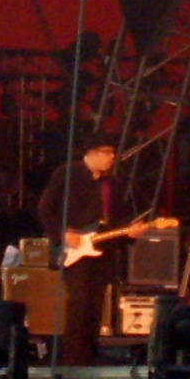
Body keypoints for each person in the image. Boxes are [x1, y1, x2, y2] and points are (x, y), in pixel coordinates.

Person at [37, 132, 148, 365]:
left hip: (102, 252)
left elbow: (115, 222)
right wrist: (63, 234)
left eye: (112, 153)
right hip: (74, 251)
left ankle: (87, 359)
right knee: (79, 302)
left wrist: (130, 233)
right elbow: (45, 209)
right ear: (91, 153)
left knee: (95, 307)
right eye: (107, 153)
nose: (112, 157)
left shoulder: (113, 184)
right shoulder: (68, 174)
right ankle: (70, 361)